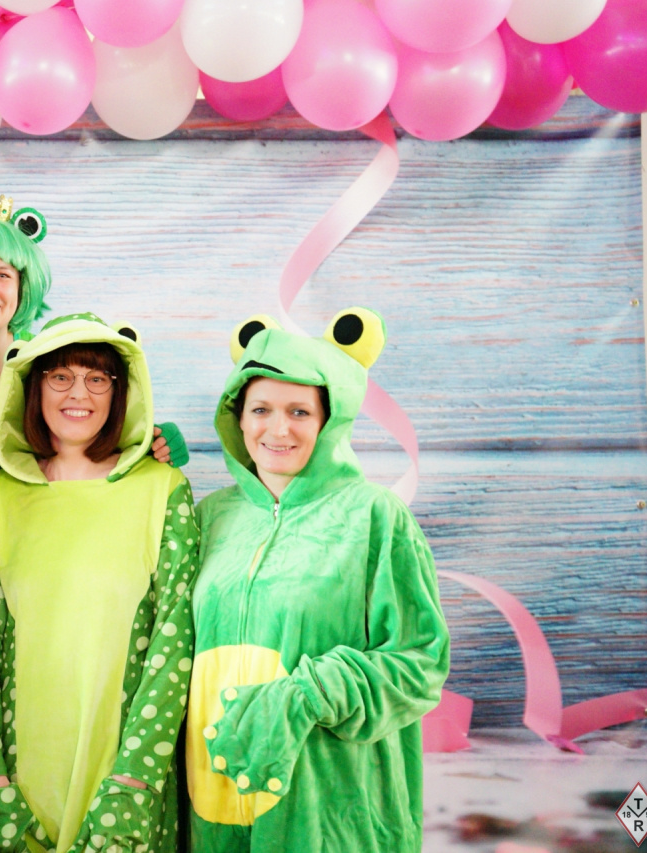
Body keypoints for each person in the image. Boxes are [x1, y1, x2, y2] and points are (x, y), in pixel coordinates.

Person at [187, 310, 449, 853]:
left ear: (329, 422)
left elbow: (420, 662)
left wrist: (309, 693)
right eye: (261, 409)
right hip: (212, 800)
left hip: (329, 805)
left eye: (299, 411)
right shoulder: (209, 517)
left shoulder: (375, 516)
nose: (278, 429)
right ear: (238, 419)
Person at [0, 313, 198, 853]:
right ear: (34, 388)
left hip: (123, 781)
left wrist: (134, 783)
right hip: (20, 788)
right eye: (61, 377)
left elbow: (174, 645)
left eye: (98, 378)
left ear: (120, 392)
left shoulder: (164, 489)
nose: (79, 394)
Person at [0, 192, 185, 488]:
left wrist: (148, 440)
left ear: (23, 288)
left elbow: (96, 421)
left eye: (3, 275)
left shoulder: (50, 358)